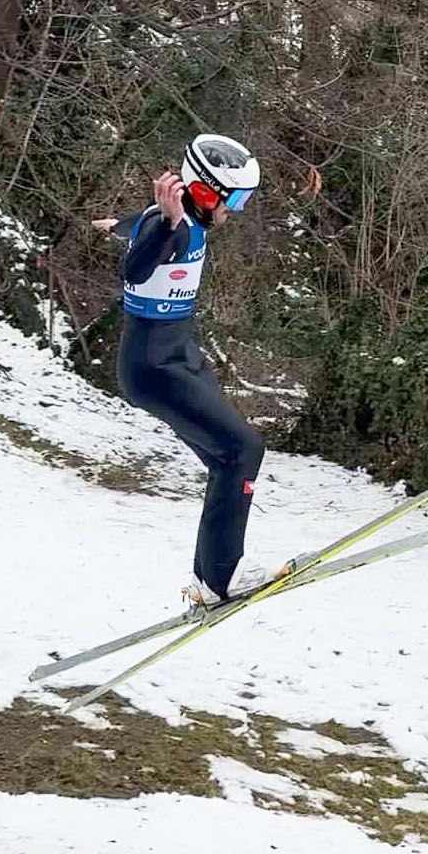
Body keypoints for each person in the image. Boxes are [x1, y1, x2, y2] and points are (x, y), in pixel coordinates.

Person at [101, 132, 280, 606]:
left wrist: (115, 224)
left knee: (228, 457)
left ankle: (209, 578)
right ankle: (223, 576)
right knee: (243, 448)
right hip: (155, 368)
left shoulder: (167, 219)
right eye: (235, 199)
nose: (237, 210)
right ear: (203, 192)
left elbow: (134, 226)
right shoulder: (172, 226)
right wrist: (162, 223)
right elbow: (136, 270)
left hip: (179, 358)